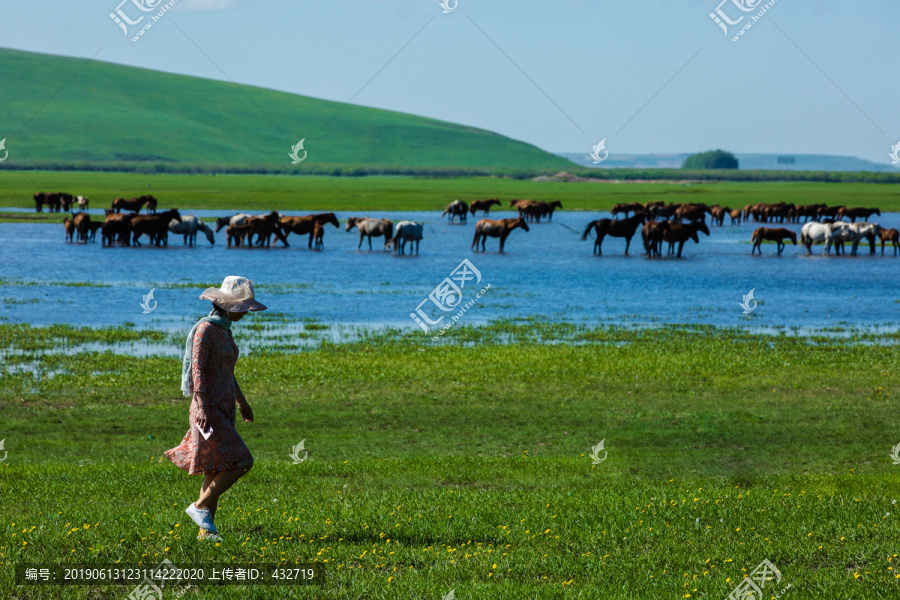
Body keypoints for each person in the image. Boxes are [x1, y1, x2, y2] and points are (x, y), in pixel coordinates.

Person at [164, 276, 267, 541]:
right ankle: (198, 507)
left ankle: (206, 532)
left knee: (214, 467)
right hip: (206, 408)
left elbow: (227, 373)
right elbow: (196, 369)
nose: (245, 312)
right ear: (227, 305)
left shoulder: (224, 330)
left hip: (223, 405)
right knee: (243, 461)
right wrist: (200, 406)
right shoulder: (205, 330)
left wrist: (242, 403)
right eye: (242, 307)